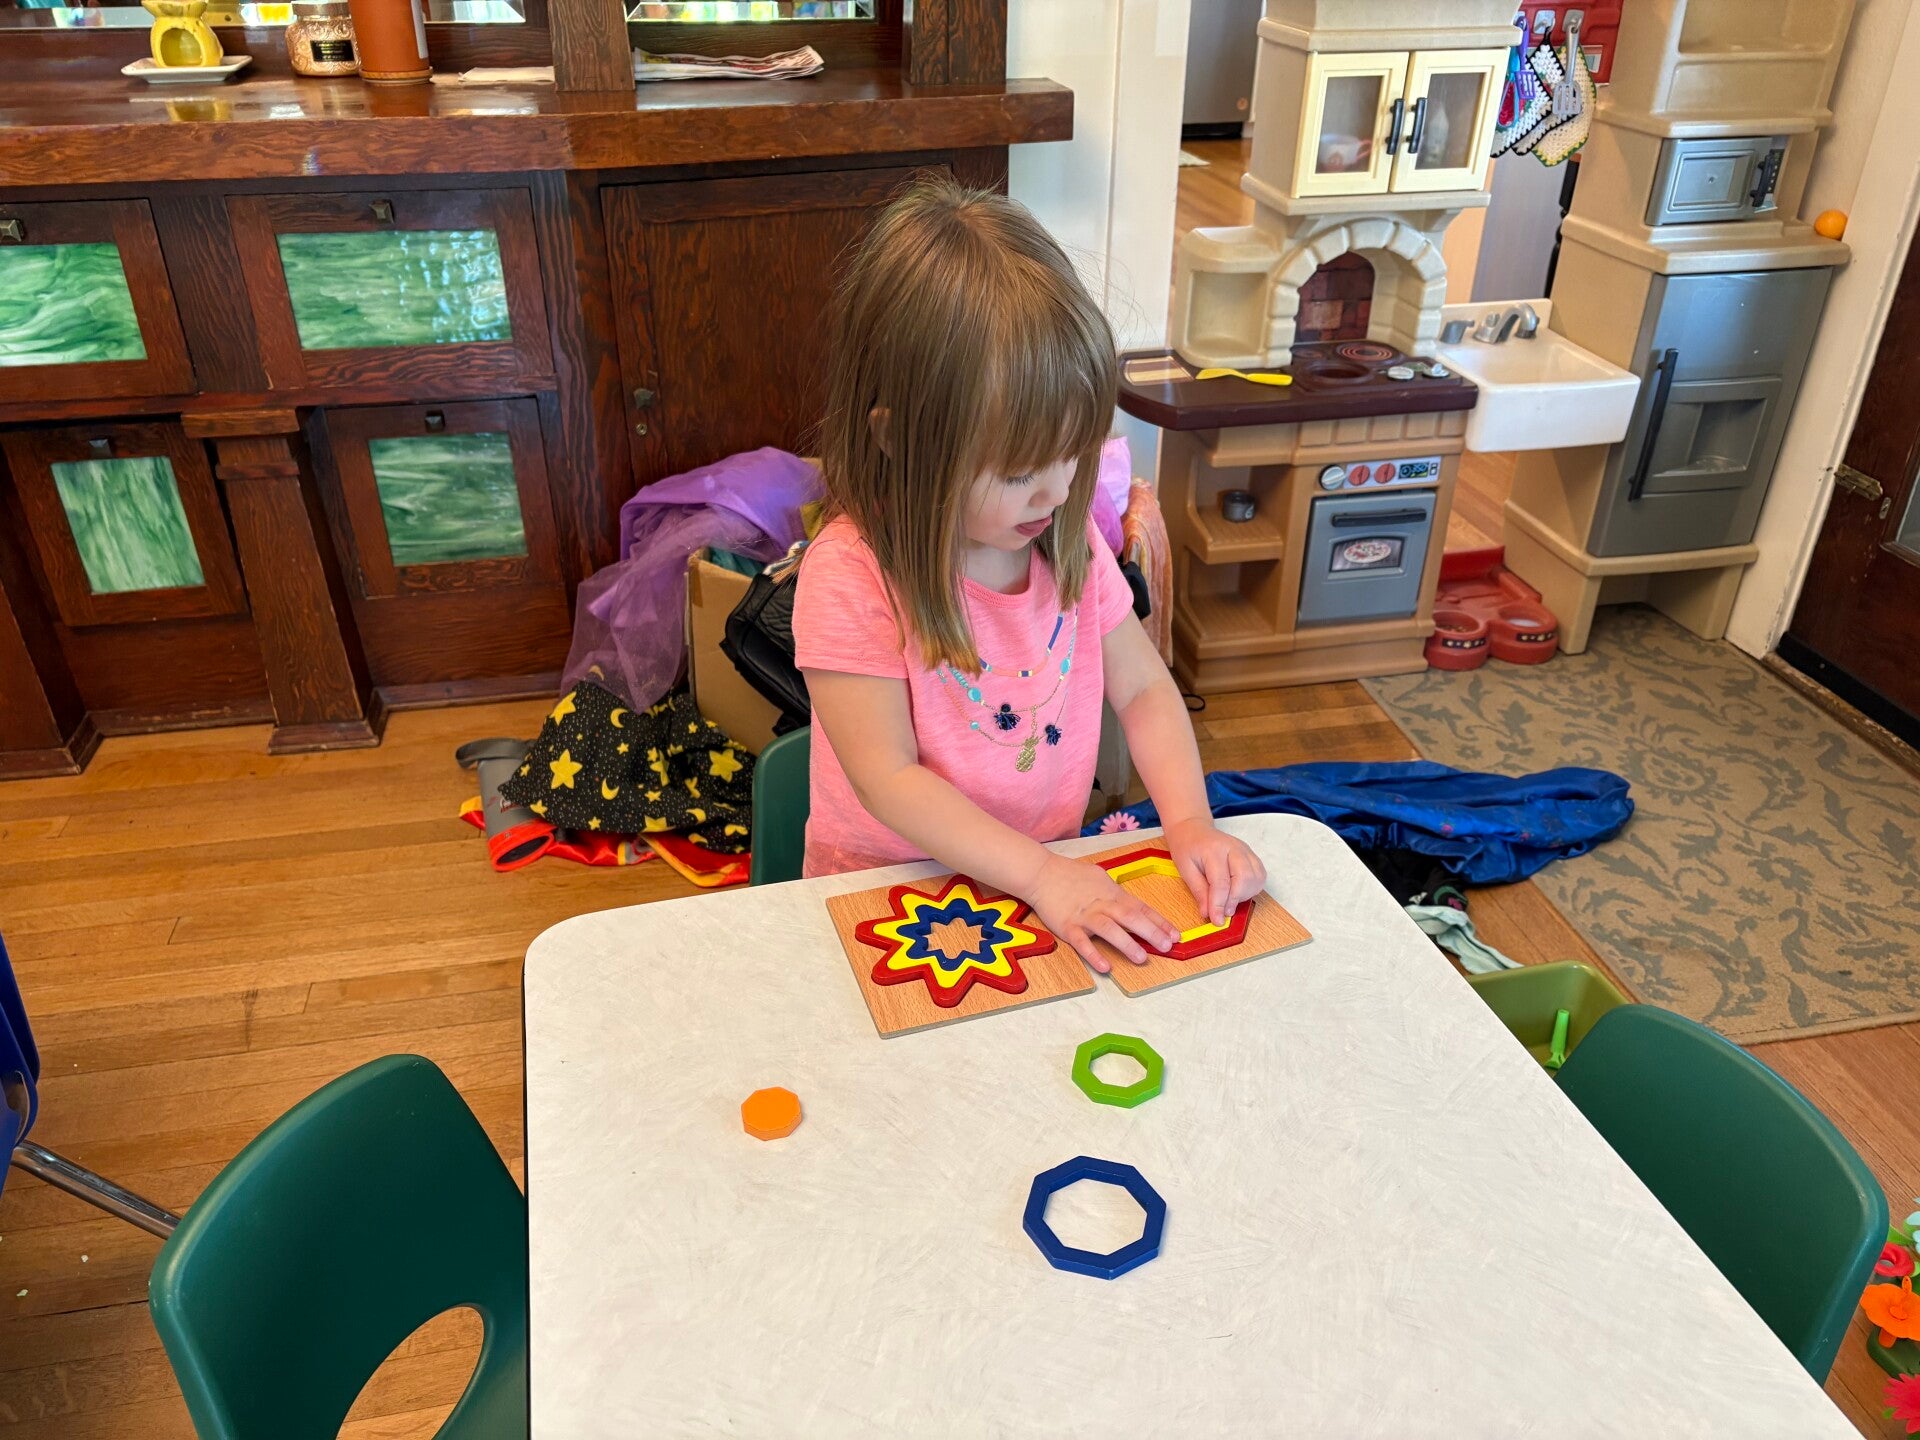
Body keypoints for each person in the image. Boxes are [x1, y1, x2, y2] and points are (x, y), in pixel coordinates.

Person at [794, 177, 1266, 973]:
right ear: (898, 438)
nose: (1056, 491)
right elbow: (888, 779)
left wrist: (1190, 822)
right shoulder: (850, 576)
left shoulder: (1063, 539)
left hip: (1043, 886)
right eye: (1018, 471)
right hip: (885, 898)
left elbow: (1145, 691)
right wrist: (1045, 876)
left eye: (1074, 452)